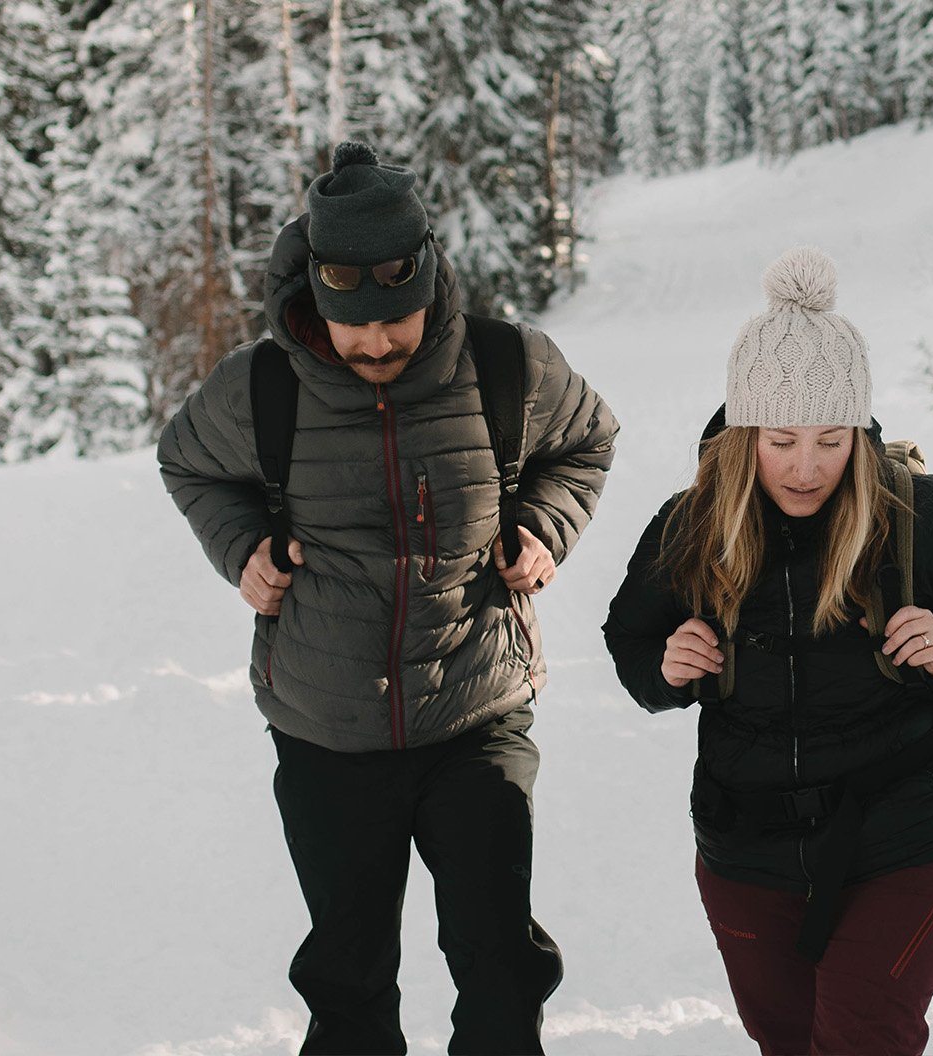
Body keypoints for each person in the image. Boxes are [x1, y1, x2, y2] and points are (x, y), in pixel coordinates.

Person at [158, 141, 618, 1056]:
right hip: (327, 728)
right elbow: (189, 463)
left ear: (428, 281)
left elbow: (586, 442)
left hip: (476, 710)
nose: (375, 344)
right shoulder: (260, 387)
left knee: (499, 962)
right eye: (352, 327)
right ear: (317, 300)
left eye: (395, 321)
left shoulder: (507, 364)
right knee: (350, 976)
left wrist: (542, 527)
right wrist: (243, 549)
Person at [601, 247, 933, 1056]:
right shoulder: (691, 524)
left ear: (859, 434)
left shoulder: (919, 514)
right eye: (782, 440)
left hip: (905, 835)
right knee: (790, 1043)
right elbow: (630, 638)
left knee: (862, 1039)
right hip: (747, 846)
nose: (807, 467)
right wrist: (665, 668)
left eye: (832, 441)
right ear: (745, 435)